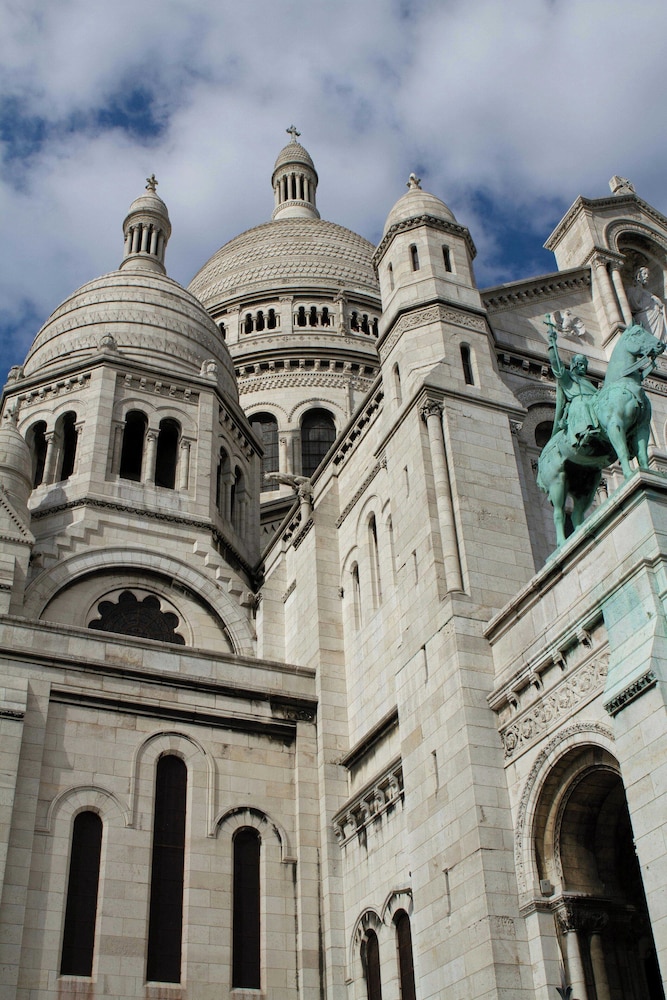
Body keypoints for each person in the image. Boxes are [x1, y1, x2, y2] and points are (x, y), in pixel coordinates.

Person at [546, 323, 599, 450]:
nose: (583, 367)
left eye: (585, 365)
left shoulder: (588, 383)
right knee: (582, 404)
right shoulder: (567, 378)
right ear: (574, 365)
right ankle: (583, 433)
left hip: (593, 402)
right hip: (578, 405)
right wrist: (552, 344)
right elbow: (556, 364)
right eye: (580, 364)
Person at [627, 266, 667, 341]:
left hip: (657, 317)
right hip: (645, 317)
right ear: (639, 276)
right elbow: (633, 304)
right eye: (644, 274)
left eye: (647, 274)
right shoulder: (632, 290)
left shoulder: (649, 293)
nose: (647, 276)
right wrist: (639, 287)